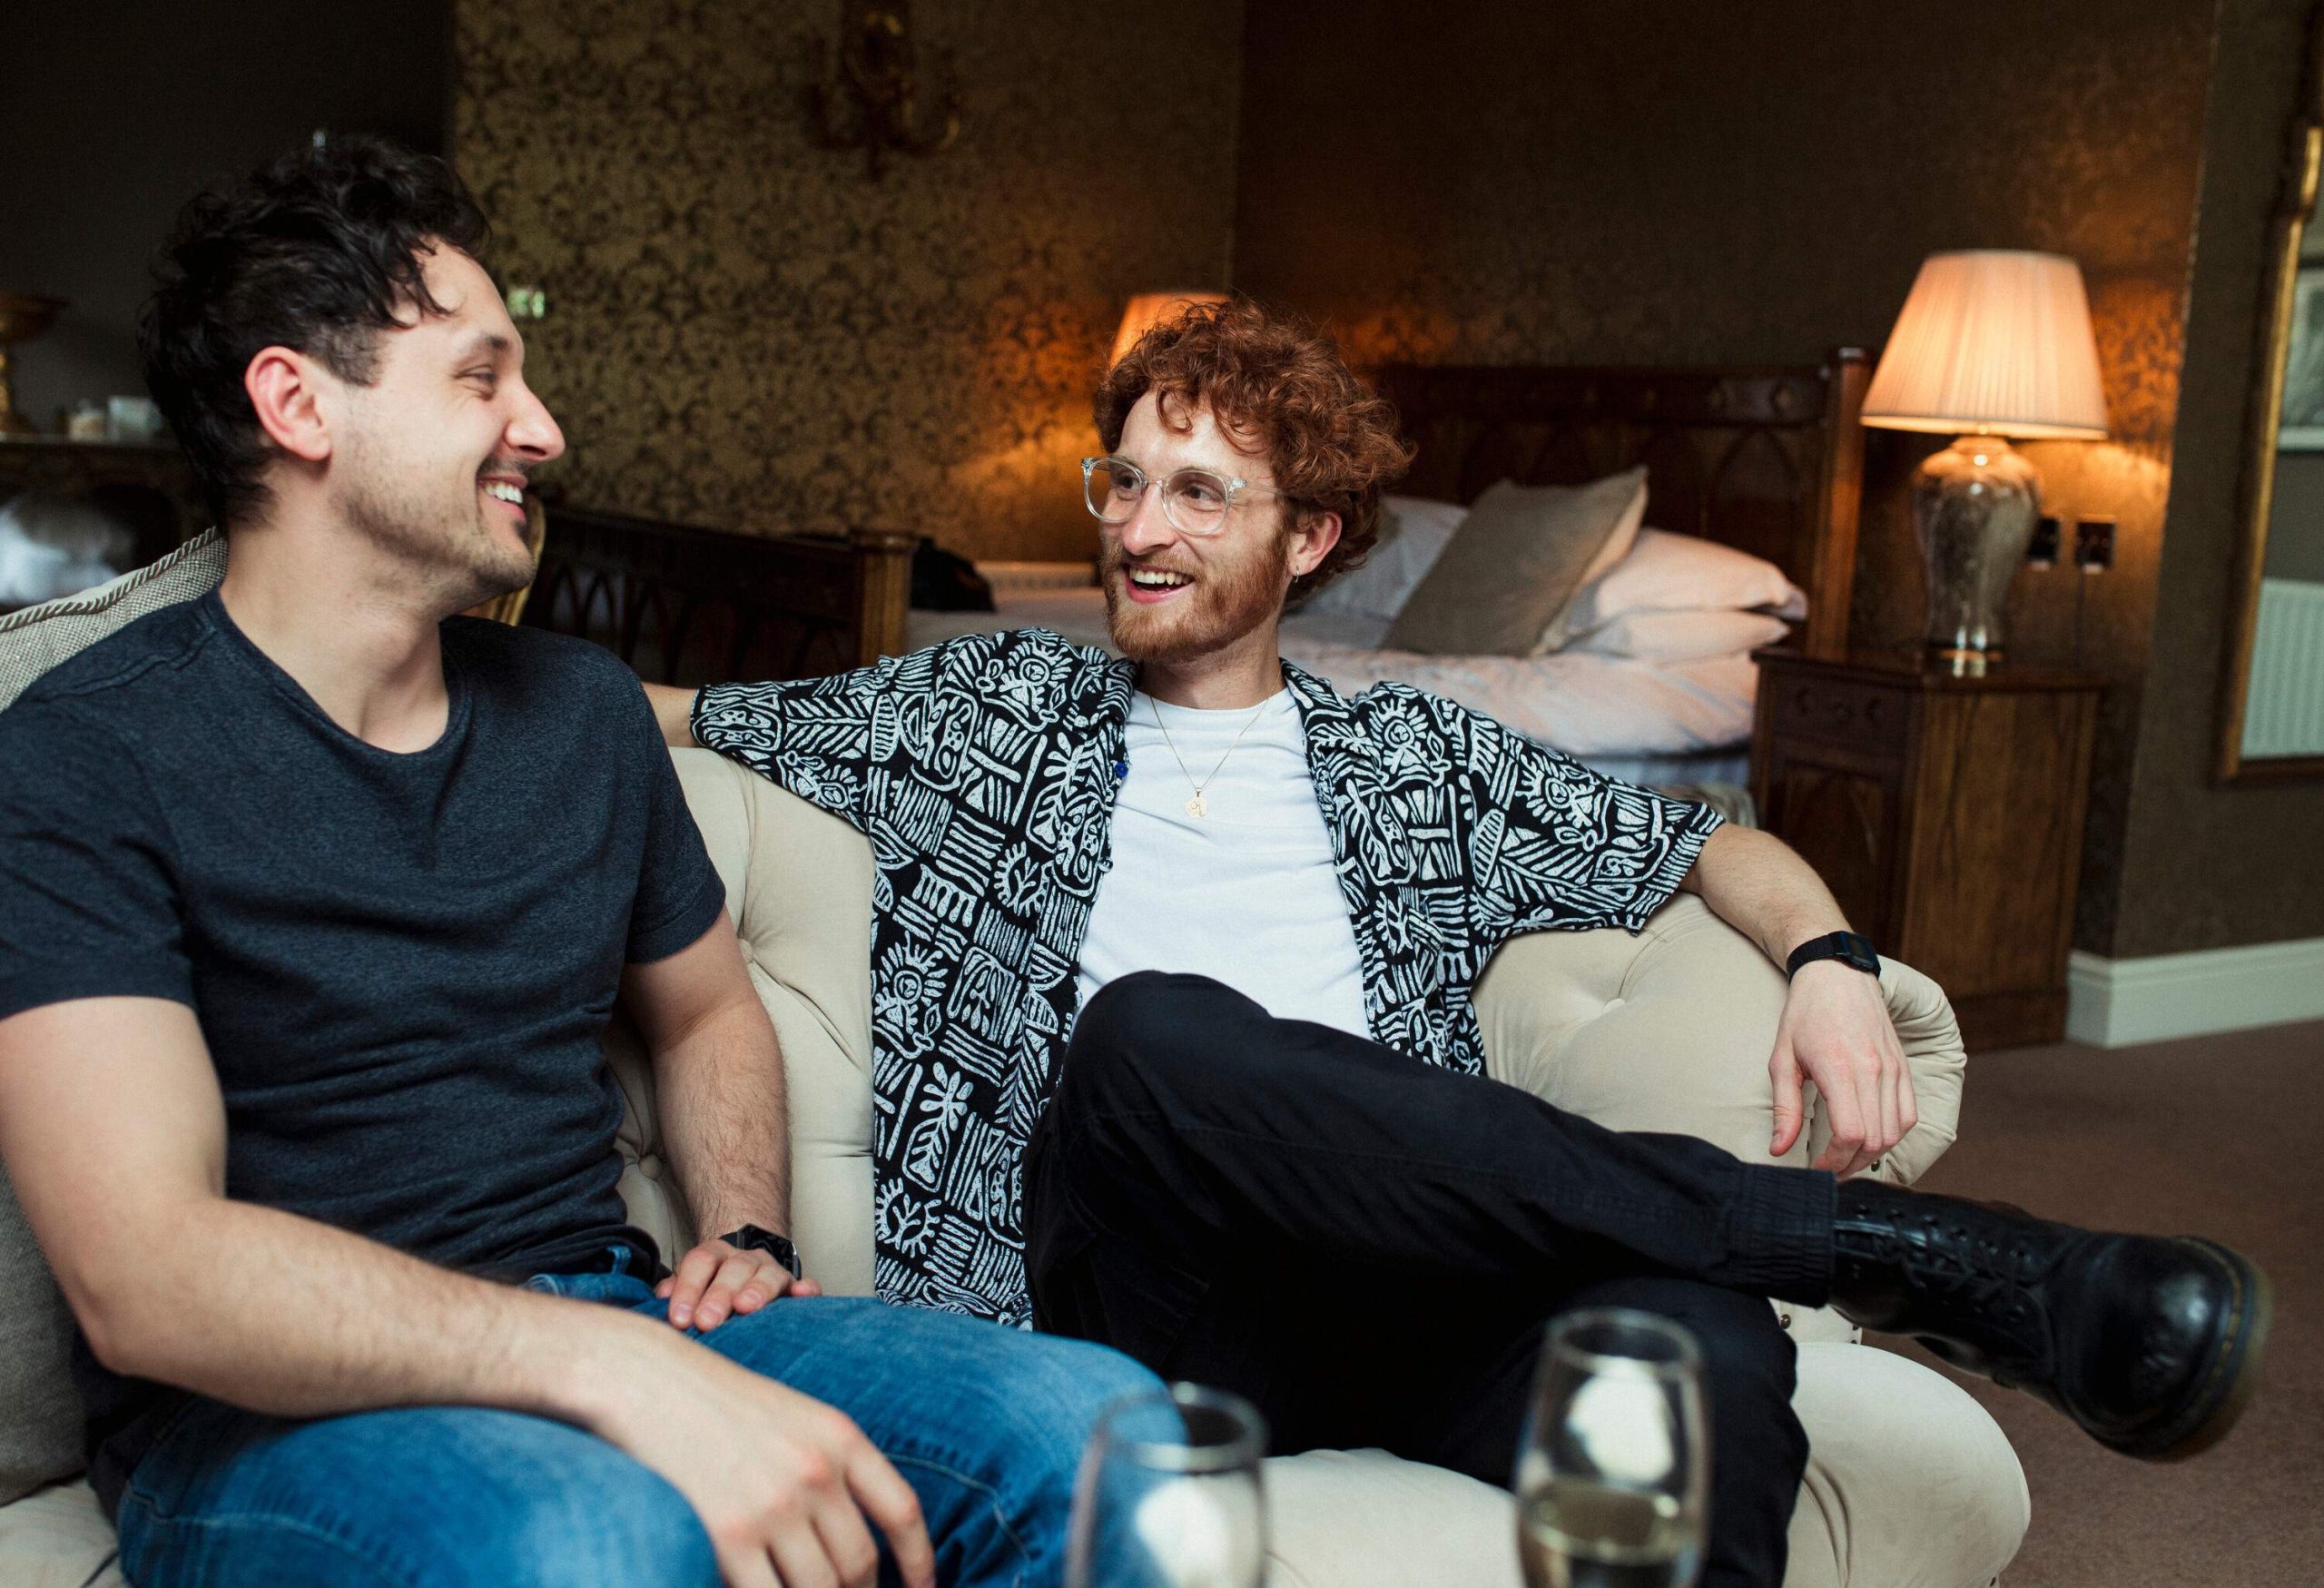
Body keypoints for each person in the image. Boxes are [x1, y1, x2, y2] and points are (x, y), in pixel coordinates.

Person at [650, 299, 2271, 1588]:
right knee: (1153, 1028)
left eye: (1201, 490)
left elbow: (1714, 840)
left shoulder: (1420, 757)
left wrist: (1835, 954)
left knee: (1684, 1334)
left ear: (1311, 541)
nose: (1139, 526)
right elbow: (673, 714)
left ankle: (1794, 1272)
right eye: (1125, 479)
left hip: (1403, 1292)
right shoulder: (989, 706)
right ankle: (1887, 1256)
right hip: (1134, 1292)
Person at [0, 138, 1158, 1588]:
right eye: (481, 379)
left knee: (1105, 1429)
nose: (541, 429)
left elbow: (710, 1009)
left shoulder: (584, 713)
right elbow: (146, 1274)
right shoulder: (85, 752)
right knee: (598, 1540)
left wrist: (739, 1229)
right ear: (296, 403)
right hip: (263, 1421)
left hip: (613, 1312)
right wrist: (607, 1371)